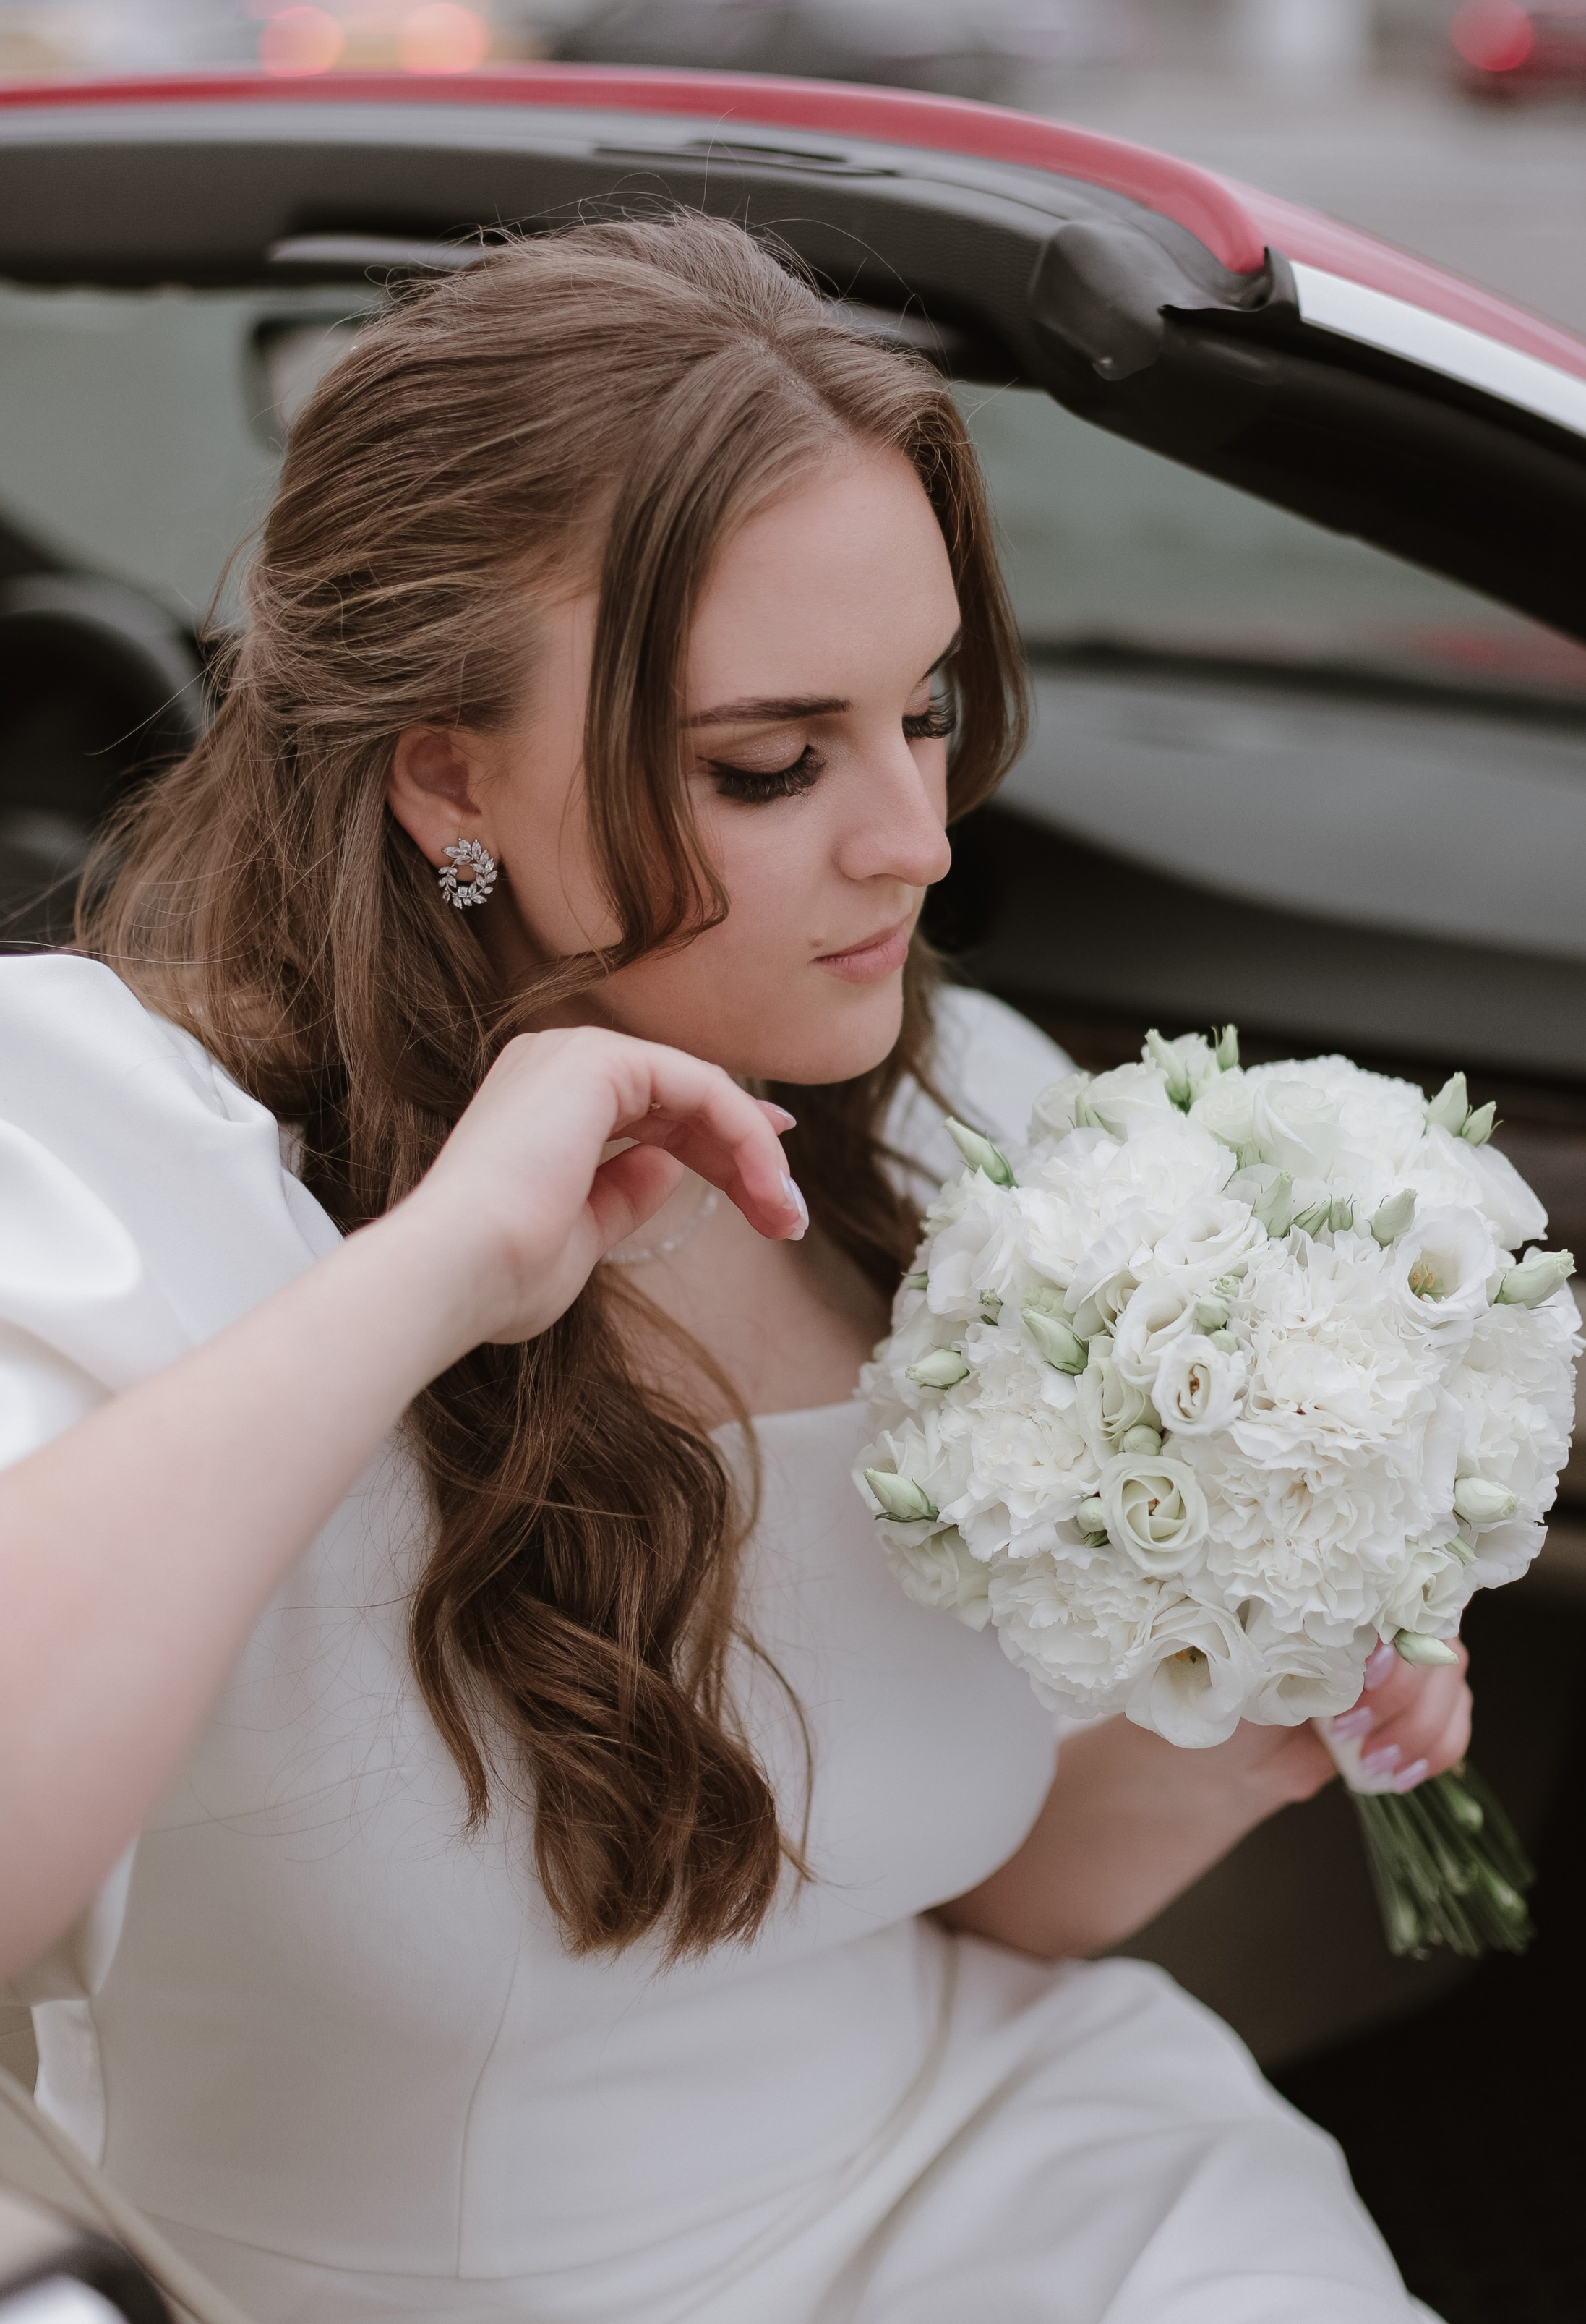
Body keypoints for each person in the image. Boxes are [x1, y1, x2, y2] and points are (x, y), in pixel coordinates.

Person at [0, 216, 1470, 2323]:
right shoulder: (87, 1147)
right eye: (773, 765)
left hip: (1015, 2184)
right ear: (451, 785)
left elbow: (972, 1902)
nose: (916, 838)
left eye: (929, 711)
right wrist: (428, 1278)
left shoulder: (972, 1113)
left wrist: (1249, 1722)